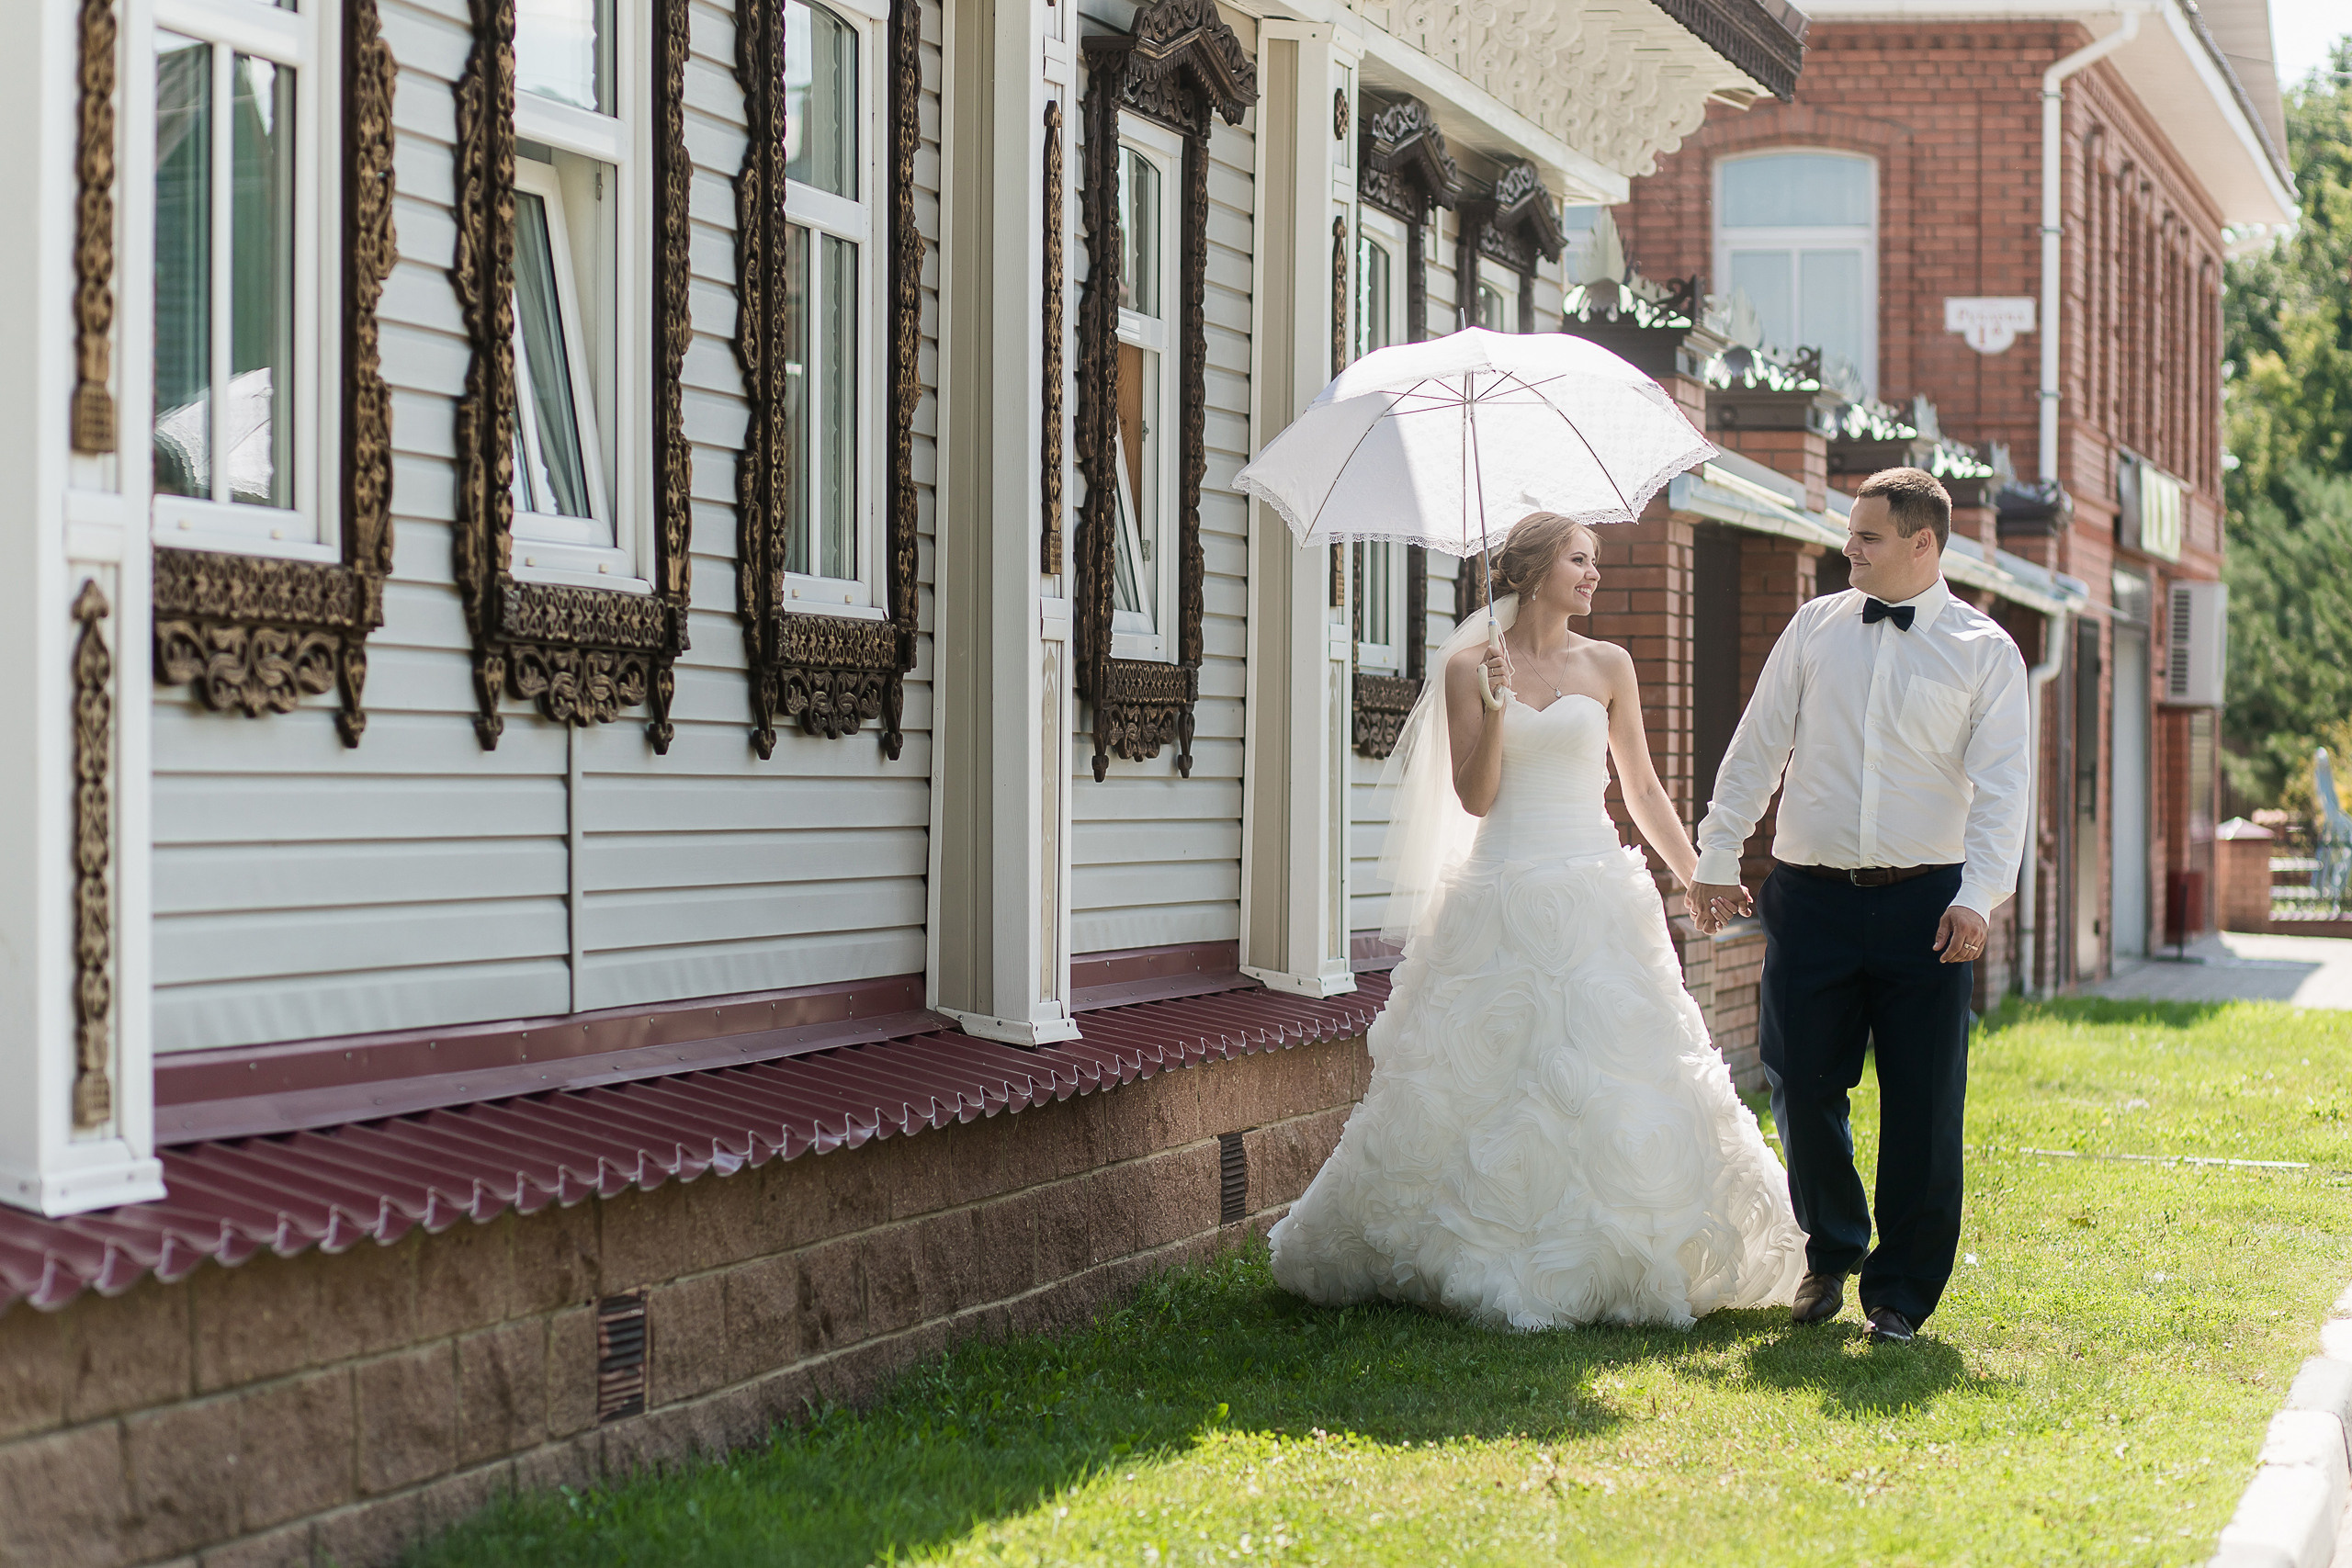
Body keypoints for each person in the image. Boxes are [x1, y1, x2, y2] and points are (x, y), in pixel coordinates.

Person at [1269, 512, 1805, 1329]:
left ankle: (1625, 1243)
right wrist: (1490, 702)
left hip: (1595, 887)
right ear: (1530, 571)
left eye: (1595, 560)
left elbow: (1642, 790)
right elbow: (1476, 797)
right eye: (1578, 560)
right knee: (1496, 1079)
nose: (1593, 574)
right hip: (1502, 887)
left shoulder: (1611, 664)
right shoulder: (1465, 669)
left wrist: (1695, 876)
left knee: (1613, 1072)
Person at [1686, 467, 2030, 1346]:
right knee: (1800, 1077)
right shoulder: (1813, 630)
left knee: (1923, 1101)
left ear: (1924, 544)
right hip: (1810, 896)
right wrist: (1718, 851)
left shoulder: (1986, 650)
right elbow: (1758, 744)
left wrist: (1979, 897)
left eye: (1868, 537)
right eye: (1850, 533)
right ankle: (1829, 1249)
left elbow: (2002, 791)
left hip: (1930, 905)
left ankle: (1902, 1296)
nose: (1850, 549)